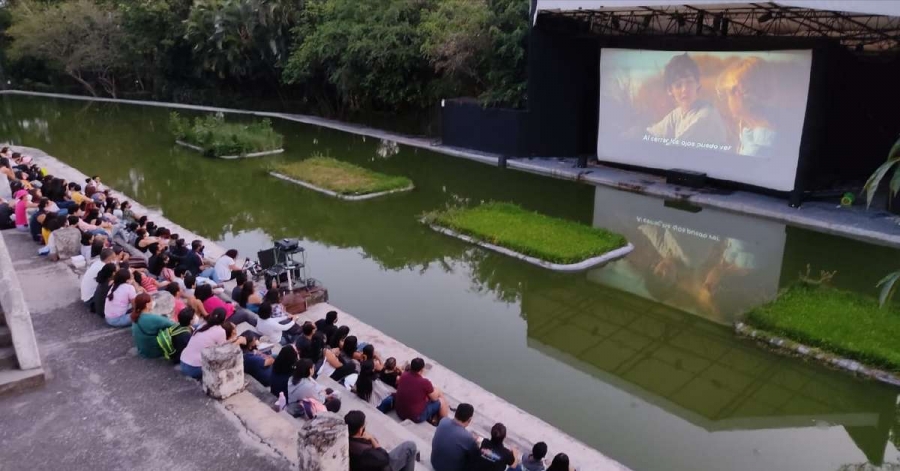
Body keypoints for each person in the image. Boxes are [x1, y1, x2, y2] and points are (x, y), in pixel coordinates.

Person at [645, 53, 727, 147]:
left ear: (698, 84)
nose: (684, 89)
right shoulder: (677, 114)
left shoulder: (707, 114)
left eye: (689, 82)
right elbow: (653, 133)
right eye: (678, 85)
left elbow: (675, 148)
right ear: (670, 90)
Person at [717, 57, 779, 157]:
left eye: (728, 93)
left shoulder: (760, 146)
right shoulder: (750, 130)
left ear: (739, 94)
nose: (727, 100)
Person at [345, 410, 418, 471]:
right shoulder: (364, 451)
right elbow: (385, 458)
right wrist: (371, 438)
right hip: (381, 466)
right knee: (410, 446)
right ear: (360, 430)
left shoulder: (346, 440)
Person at [180, 308, 234, 379]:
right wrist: (234, 341)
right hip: (194, 368)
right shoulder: (221, 331)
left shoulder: (202, 325)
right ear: (224, 319)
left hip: (183, 361)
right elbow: (222, 351)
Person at [393, 357, 449, 425]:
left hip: (399, 412)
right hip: (415, 417)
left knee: (430, 393)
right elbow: (434, 399)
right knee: (441, 400)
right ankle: (445, 424)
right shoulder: (424, 382)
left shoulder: (403, 375)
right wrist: (438, 391)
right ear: (422, 369)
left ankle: (435, 416)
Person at [430, 403, 479, 471]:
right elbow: (476, 455)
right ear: (469, 419)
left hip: (434, 463)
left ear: (456, 413)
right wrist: (475, 442)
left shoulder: (443, 421)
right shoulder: (468, 438)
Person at [130, 293, 176, 358]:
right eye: (151, 301)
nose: (153, 302)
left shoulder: (135, 316)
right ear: (147, 305)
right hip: (153, 352)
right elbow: (173, 324)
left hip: (142, 350)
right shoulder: (152, 318)